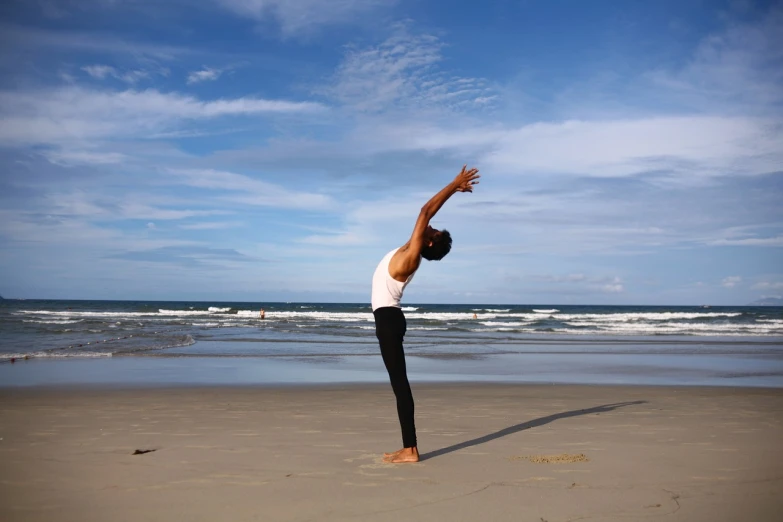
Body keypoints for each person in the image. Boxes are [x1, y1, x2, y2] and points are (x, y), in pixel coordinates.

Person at [371, 165, 480, 463]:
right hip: (389, 320)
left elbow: (425, 211)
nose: (429, 226)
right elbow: (423, 217)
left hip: (389, 321)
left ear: (429, 242)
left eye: (432, 230)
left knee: (400, 384)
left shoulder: (412, 255)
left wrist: (454, 186)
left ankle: (411, 449)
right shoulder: (409, 248)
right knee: (398, 383)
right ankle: (408, 447)